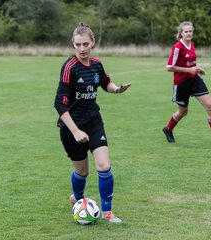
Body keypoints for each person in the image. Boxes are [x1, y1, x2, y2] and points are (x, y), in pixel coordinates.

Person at [54, 22, 131, 223]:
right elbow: (59, 105)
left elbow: (104, 81)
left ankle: (107, 212)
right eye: (78, 45)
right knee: (82, 172)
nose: (82, 48)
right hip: (71, 126)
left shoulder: (96, 64)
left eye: (85, 44)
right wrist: (76, 131)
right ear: (73, 44)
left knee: (104, 166)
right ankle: (78, 198)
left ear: (93, 43)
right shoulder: (69, 68)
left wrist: (116, 89)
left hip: (93, 120)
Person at [163, 21, 211, 146]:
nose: (188, 33)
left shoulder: (192, 45)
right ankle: (168, 129)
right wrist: (188, 70)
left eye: (190, 31)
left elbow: (191, 63)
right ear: (181, 34)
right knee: (183, 112)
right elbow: (169, 67)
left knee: (210, 107)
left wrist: (198, 68)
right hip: (182, 83)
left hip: (195, 80)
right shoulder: (177, 48)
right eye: (186, 31)